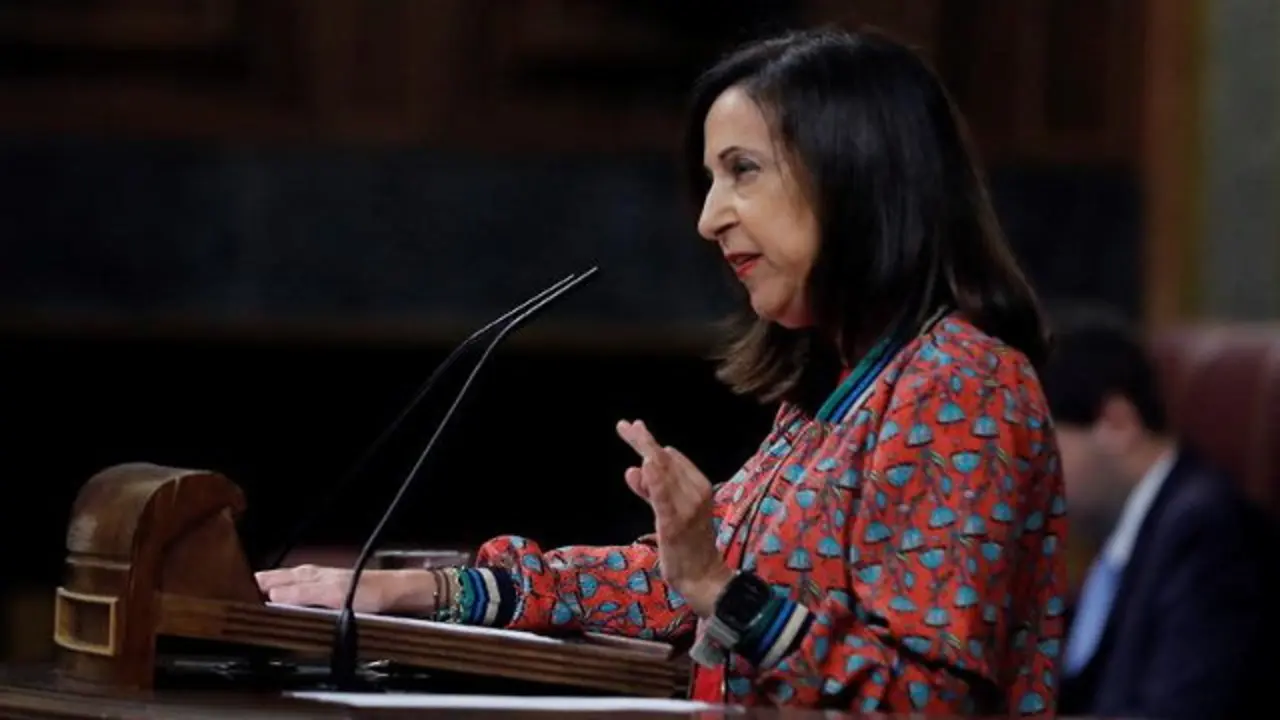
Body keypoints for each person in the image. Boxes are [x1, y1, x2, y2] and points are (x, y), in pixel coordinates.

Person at [256, 28, 1067, 714]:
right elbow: (665, 588)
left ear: (855, 173)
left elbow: (926, 701)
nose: (710, 217)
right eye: (711, 179)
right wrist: (429, 595)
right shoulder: (838, 390)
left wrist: (719, 588)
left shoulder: (962, 385)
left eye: (742, 171)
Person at [1041, 313, 1276, 719]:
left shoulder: (1207, 531)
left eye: (1043, 447)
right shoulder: (1122, 539)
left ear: (1116, 423)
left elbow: (1181, 711)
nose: (1033, 476)